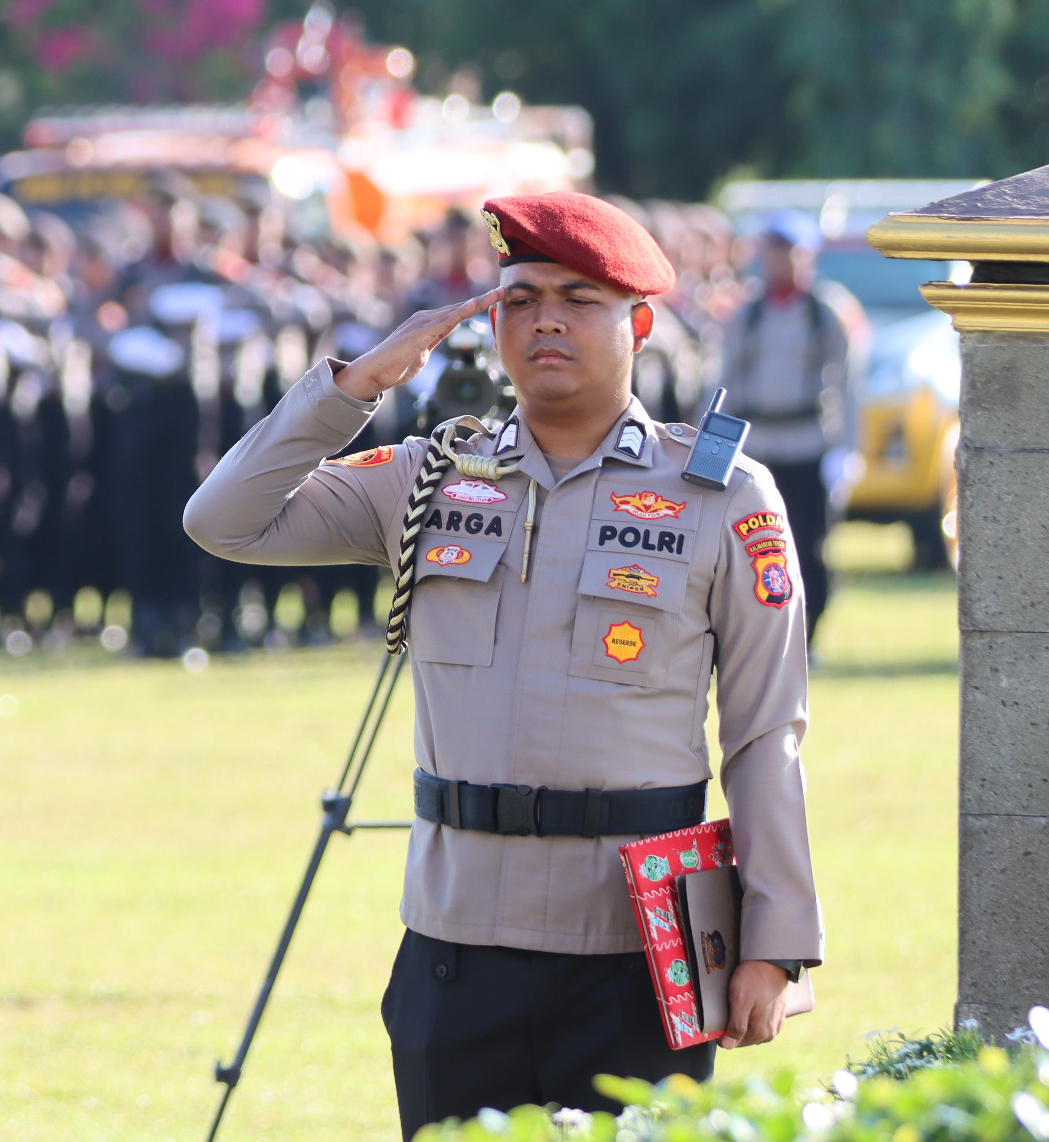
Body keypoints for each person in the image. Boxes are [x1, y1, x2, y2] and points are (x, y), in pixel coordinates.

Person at [183, 191, 821, 1135]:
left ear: (639, 323)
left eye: (577, 297)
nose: (545, 321)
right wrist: (356, 384)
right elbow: (222, 520)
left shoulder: (722, 498)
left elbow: (768, 731)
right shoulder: (432, 474)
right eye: (518, 299)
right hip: (458, 949)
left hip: (637, 954)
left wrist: (776, 940)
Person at [719, 212, 863, 640]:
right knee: (751, 545)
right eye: (773, 252)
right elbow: (724, 383)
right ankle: (758, 630)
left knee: (806, 544)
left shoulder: (826, 311)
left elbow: (849, 383)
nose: (780, 262)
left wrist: (846, 450)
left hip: (807, 444)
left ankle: (809, 630)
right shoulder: (747, 314)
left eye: (789, 252)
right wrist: (713, 449)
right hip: (759, 445)